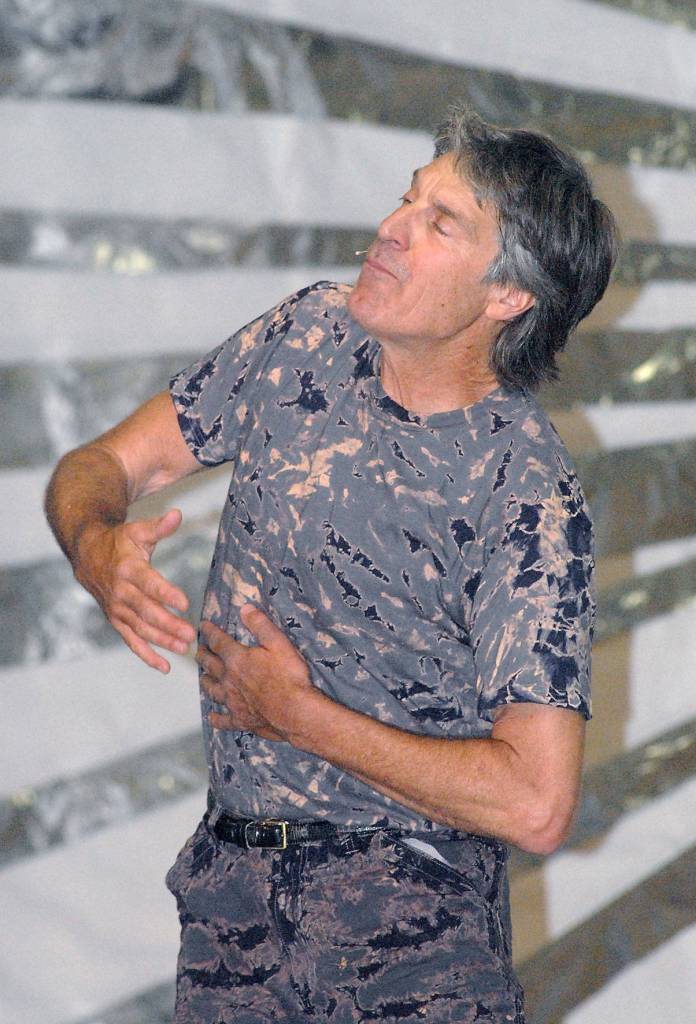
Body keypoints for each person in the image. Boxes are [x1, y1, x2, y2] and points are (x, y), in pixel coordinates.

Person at [45, 107, 617, 1023]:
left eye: (441, 224)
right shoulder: (304, 337)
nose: (389, 231)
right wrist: (94, 544)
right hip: (231, 909)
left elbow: (537, 803)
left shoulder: (526, 492)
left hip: (412, 930)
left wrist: (297, 717)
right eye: (406, 201)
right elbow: (101, 469)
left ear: (509, 295)